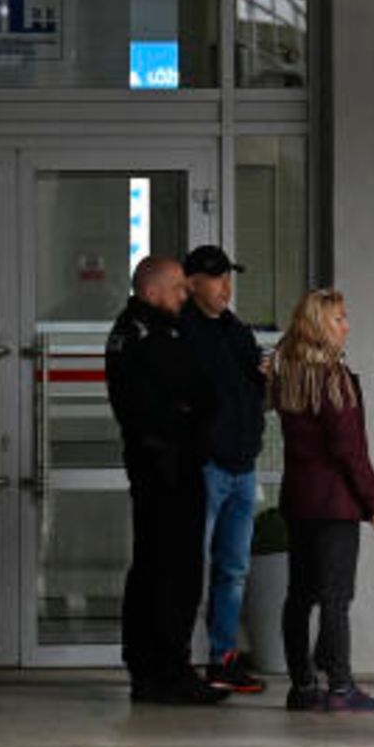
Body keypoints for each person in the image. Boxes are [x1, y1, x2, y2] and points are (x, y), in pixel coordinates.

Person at [105, 254, 225, 705]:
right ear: (152, 291)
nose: (185, 295)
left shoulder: (152, 328)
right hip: (164, 467)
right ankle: (166, 670)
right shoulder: (144, 333)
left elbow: (198, 392)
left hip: (170, 464)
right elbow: (190, 389)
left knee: (160, 567)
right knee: (170, 570)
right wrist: (190, 415)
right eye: (178, 288)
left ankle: (156, 667)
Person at [271, 289, 374, 712]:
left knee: (300, 594)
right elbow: (348, 451)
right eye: (339, 318)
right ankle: (340, 687)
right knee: (336, 596)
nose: (347, 325)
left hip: (299, 501)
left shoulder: (288, 374)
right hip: (335, 505)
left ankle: (303, 685)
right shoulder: (332, 378)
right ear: (322, 325)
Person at [180, 245, 267, 694]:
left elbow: (254, 388)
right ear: (191, 282)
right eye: (215, 278)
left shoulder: (236, 331)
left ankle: (222, 658)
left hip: (242, 465)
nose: (225, 286)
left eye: (228, 277)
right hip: (207, 466)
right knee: (189, 566)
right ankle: (179, 661)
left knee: (233, 570)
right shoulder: (182, 331)